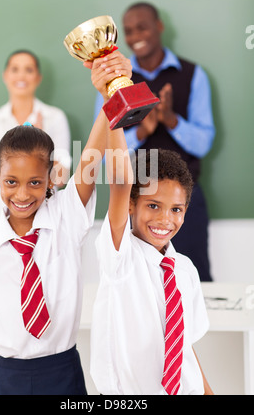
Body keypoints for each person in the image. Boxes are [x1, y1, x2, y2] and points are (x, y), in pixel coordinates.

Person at [0, 51, 132, 395]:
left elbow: (92, 158)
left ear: (51, 178)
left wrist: (110, 92)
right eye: (11, 182)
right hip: (5, 377)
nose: (23, 194)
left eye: (35, 182)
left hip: (61, 372)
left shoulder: (65, 217)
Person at [90, 83, 213, 393]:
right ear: (131, 204)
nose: (164, 219)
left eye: (176, 209)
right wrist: (111, 101)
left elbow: (182, 345)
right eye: (153, 206)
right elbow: (120, 180)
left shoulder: (183, 269)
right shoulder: (120, 256)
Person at [94, 3, 215, 281]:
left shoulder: (192, 75)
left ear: (159, 26)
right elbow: (101, 148)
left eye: (143, 26)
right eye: (129, 31)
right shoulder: (114, 81)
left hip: (183, 201)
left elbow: (204, 142)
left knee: (192, 275)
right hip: (134, 200)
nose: (136, 35)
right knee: (132, 279)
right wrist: (141, 130)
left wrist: (172, 120)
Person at [0, 49, 72, 225]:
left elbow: (61, 177)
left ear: (38, 77)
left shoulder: (54, 117)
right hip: (2, 219)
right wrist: (22, 147)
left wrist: (40, 141)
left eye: (29, 70)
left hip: (47, 217)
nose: (21, 76)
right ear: (5, 75)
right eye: (15, 69)